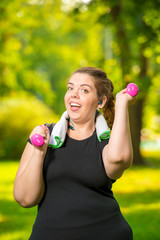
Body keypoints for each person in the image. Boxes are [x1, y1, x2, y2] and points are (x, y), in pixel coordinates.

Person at [13, 67, 134, 240]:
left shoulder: (108, 142)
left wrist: (122, 103)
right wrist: (39, 153)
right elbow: (25, 199)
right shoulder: (44, 135)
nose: (74, 94)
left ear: (100, 102)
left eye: (84, 90)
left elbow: (119, 160)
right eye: (70, 88)